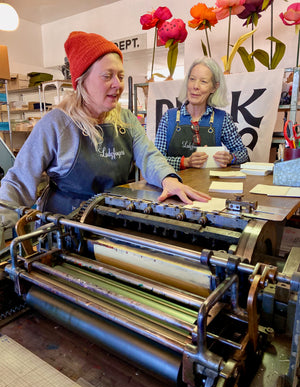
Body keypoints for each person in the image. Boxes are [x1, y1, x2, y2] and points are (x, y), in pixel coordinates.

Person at [0, 31, 211, 249]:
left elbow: (149, 156)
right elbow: (18, 181)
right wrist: (4, 224)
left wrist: (169, 180)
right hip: (63, 232)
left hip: (112, 225)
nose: (117, 84)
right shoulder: (57, 124)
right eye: (107, 76)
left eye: (120, 76)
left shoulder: (125, 119)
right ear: (81, 81)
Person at [155, 57, 249, 171]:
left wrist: (230, 158)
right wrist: (185, 162)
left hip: (209, 186)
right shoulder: (169, 117)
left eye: (203, 81)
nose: (195, 86)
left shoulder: (222, 119)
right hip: (174, 185)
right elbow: (156, 160)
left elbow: (243, 154)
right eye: (192, 79)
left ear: (214, 87)